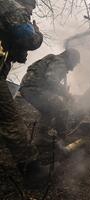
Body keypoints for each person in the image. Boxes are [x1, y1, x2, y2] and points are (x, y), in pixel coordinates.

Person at [0, 0, 46, 193]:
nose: (31, 11)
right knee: (10, 120)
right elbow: (28, 37)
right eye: (31, 7)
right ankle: (32, 169)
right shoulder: (11, 5)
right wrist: (38, 34)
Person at [19, 49, 80, 148]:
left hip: (26, 88)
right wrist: (66, 94)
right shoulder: (60, 62)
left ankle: (41, 138)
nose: (72, 68)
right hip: (34, 88)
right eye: (74, 63)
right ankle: (62, 138)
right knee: (61, 107)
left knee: (48, 110)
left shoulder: (53, 59)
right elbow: (51, 80)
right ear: (70, 58)